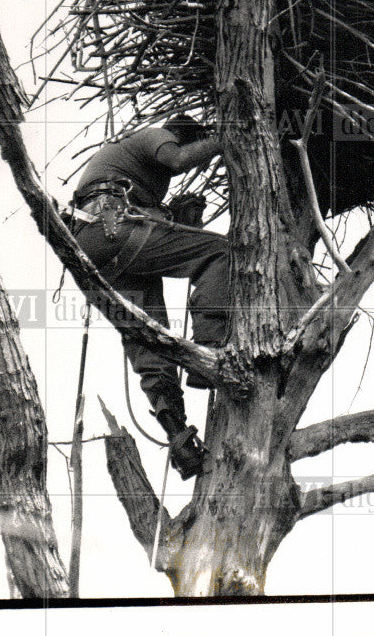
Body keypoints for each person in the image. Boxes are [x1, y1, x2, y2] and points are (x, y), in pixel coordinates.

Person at [70, 114, 229, 480]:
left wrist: (181, 218)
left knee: (148, 341)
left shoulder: (134, 176)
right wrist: (225, 140)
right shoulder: (153, 136)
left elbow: (168, 240)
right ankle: (209, 349)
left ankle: (180, 441)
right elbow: (176, 159)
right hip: (114, 228)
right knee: (219, 252)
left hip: (97, 252)